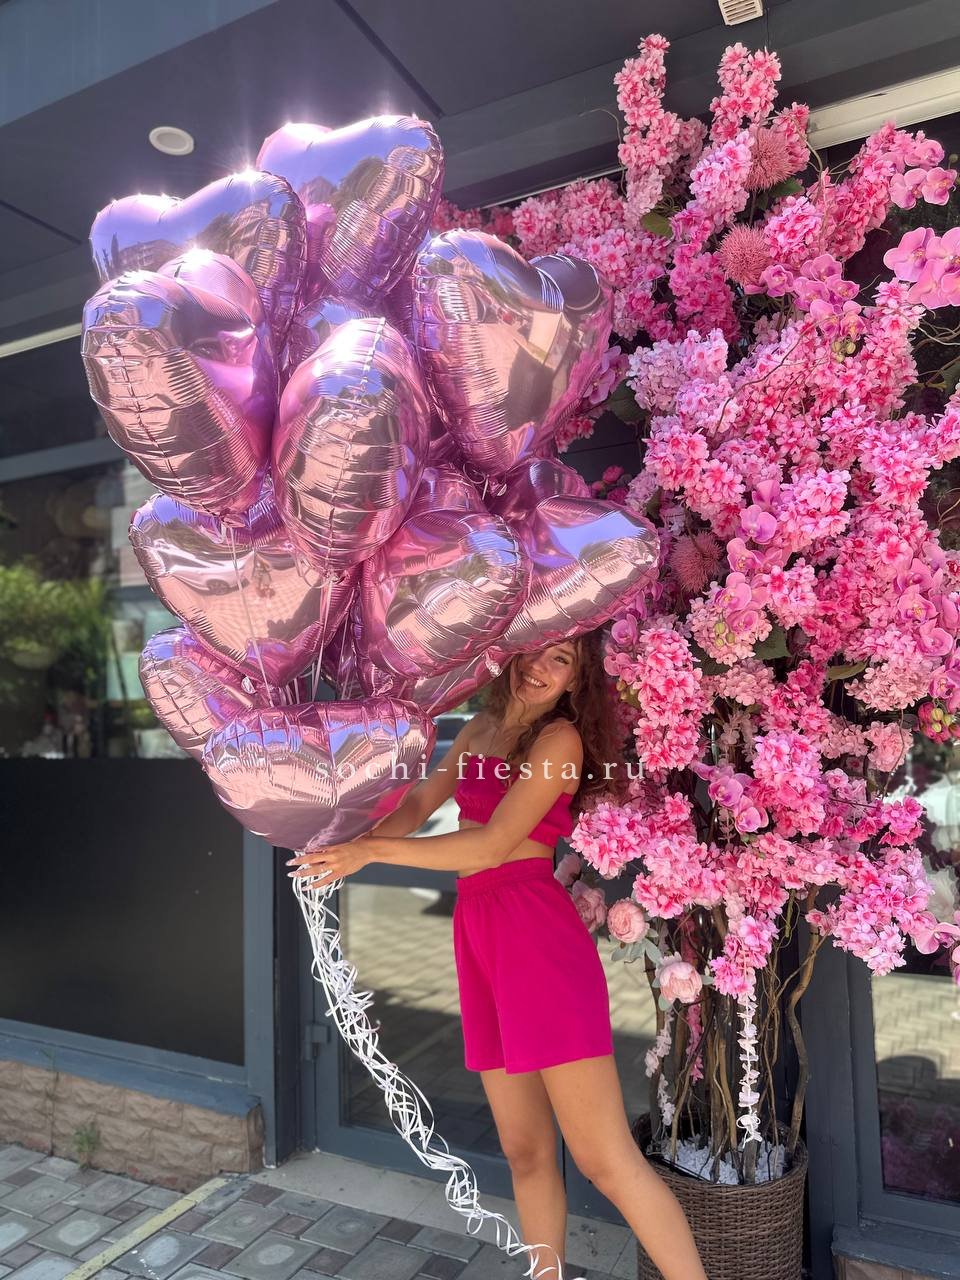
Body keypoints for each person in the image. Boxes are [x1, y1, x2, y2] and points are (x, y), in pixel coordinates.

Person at [288, 629, 707, 1280]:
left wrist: (368, 853)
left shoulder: (559, 742)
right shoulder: (479, 731)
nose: (541, 667)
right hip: (479, 934)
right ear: (512, 652)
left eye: (561, 660)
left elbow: (493, 844)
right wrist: (342, 846)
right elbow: (420, 804)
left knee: (604, 1160)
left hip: (537, 938)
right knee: (524, 1151)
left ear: (576, 680)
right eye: (537, 649)